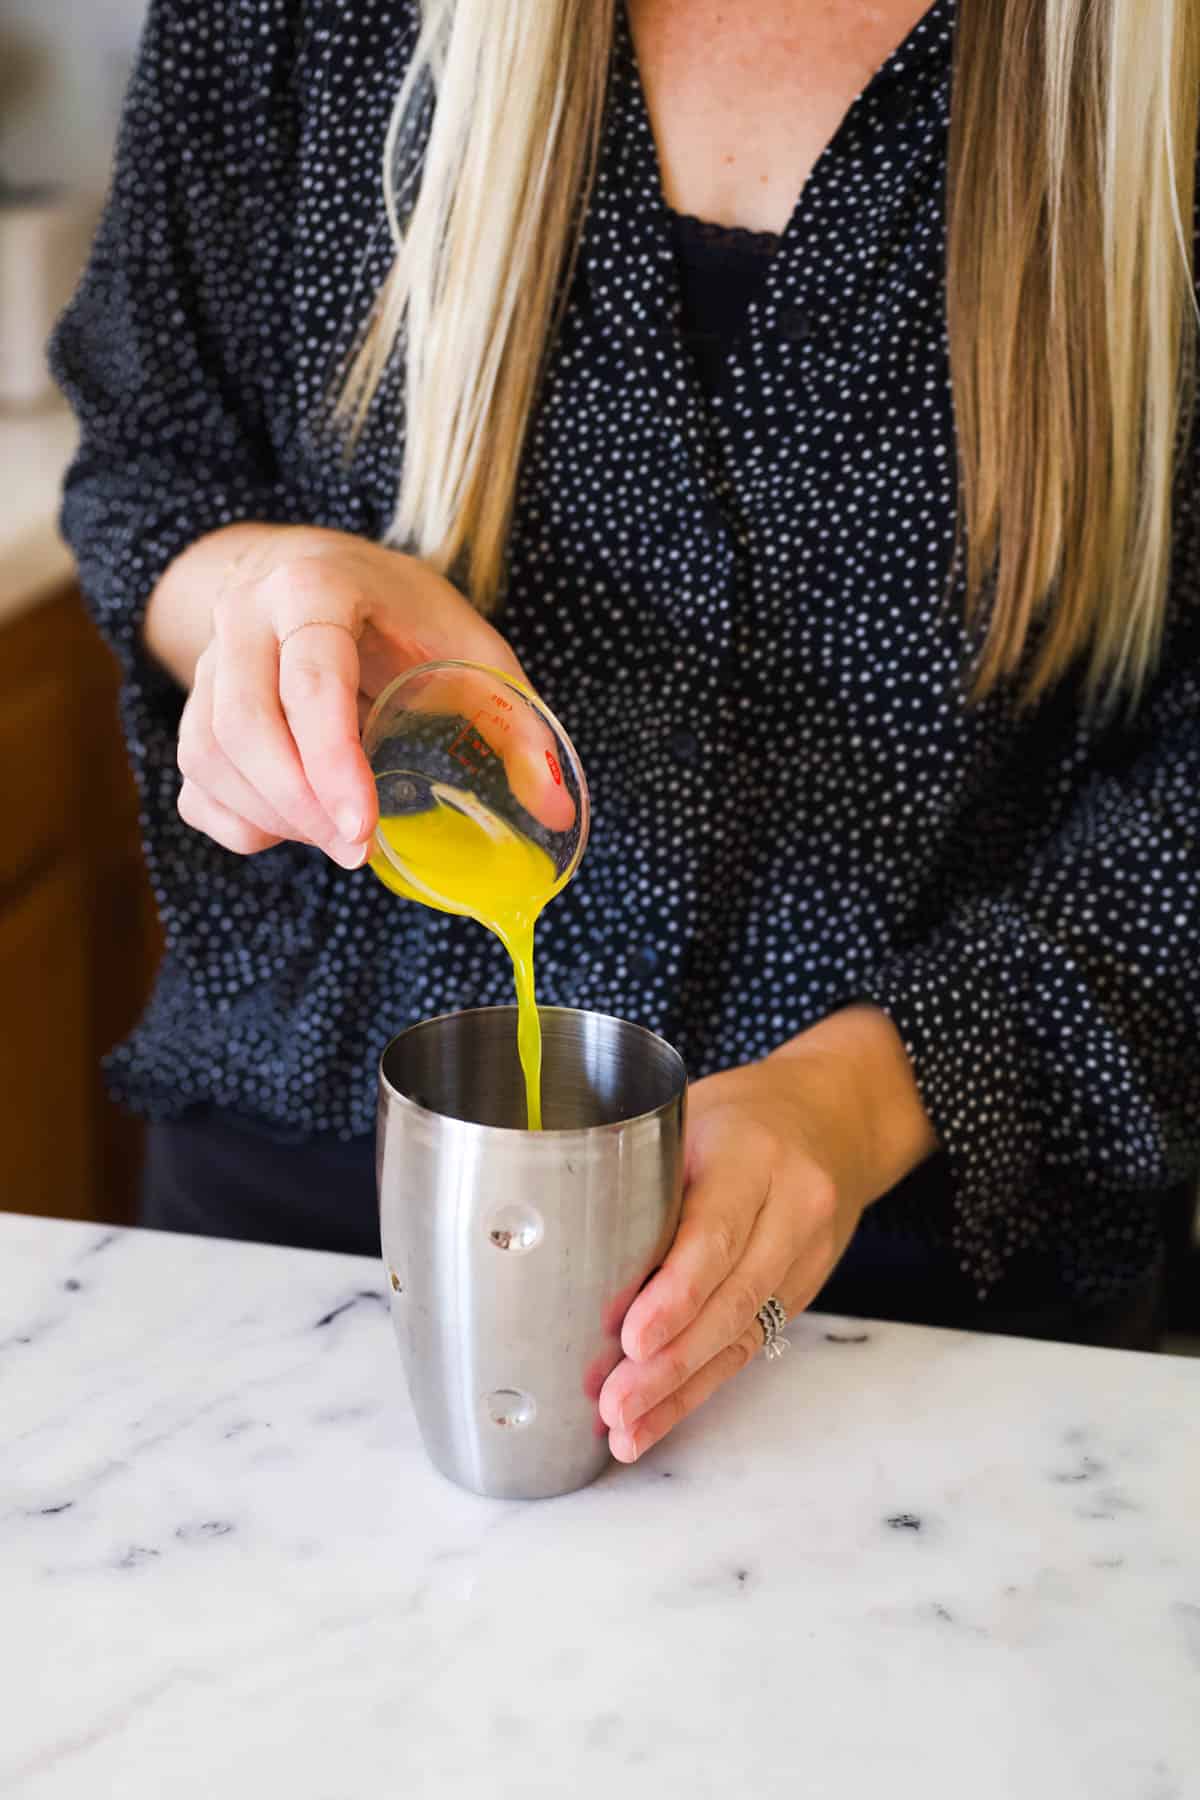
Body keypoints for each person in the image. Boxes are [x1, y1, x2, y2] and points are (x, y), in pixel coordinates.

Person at [53, 0, 1199, 1462]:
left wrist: (873, 1092)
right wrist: (261, 597)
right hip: (313, 1237)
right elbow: (153, 461)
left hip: (909, 1297)